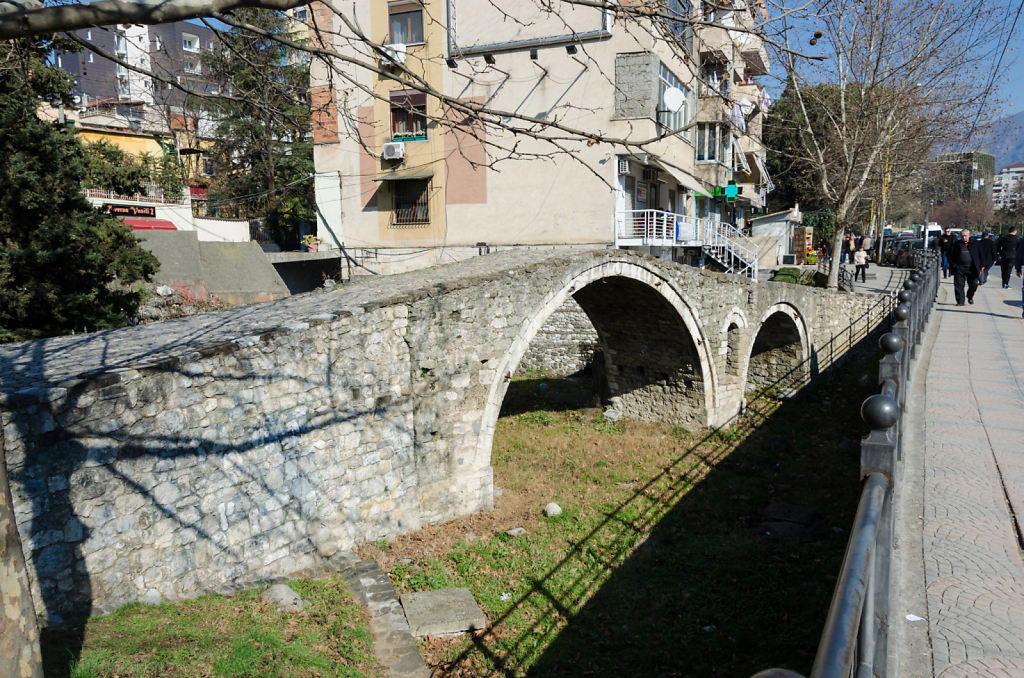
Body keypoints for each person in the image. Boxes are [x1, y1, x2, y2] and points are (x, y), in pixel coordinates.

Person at [948, 228, 982, 306]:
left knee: (974, 284)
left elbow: (981, 255)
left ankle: (970, 296)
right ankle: (960, 301)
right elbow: (951, 255)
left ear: (969, 236)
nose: (964, 237)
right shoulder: (957, 244)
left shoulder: (975, 244)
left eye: (966, 236)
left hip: (972, 268)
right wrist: (954, 266)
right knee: (959, 285)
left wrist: (982, 266)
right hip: (959, 268)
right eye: (962, 236)